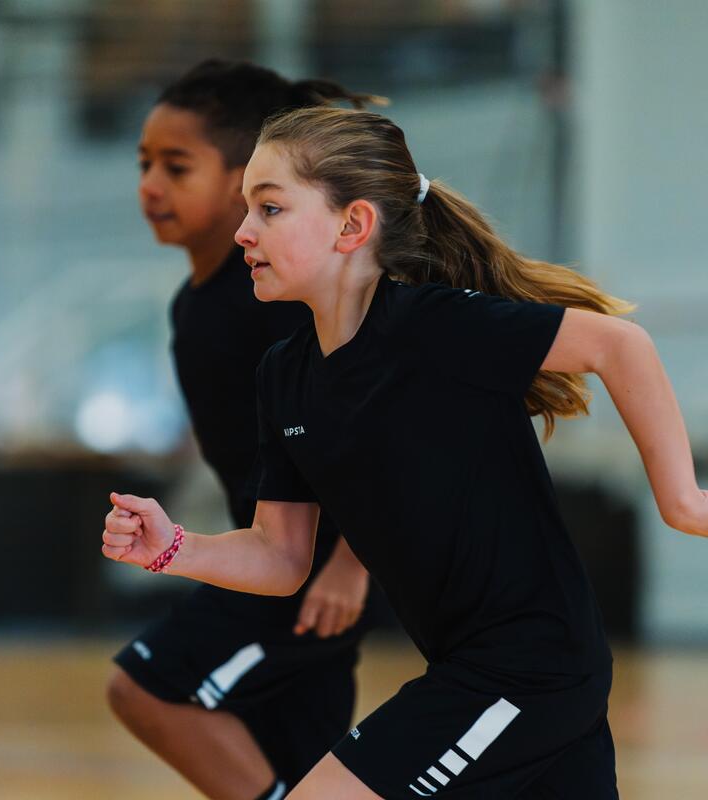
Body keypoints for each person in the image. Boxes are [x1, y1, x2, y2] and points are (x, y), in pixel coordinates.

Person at [103, 106, 707, 799]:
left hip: (529, 671)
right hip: (476, 668)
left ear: (352, 226)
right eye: (246, 208)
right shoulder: (285, 375)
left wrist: (682, 499)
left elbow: (616, 343)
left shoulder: (436, 328)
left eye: (270, 208)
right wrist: (173, 547)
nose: (242, 231)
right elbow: (281, 557)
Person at [107, 64, 387, 800]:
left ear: (243, 182)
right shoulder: (193, 307)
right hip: (269, 563)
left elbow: (379, 427)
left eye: (176, 166)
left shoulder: (275, 297)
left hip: (313, 575)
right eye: (143, 164)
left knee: (145, 687)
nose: (150, 186)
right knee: (310, 773)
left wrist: (351, 566)